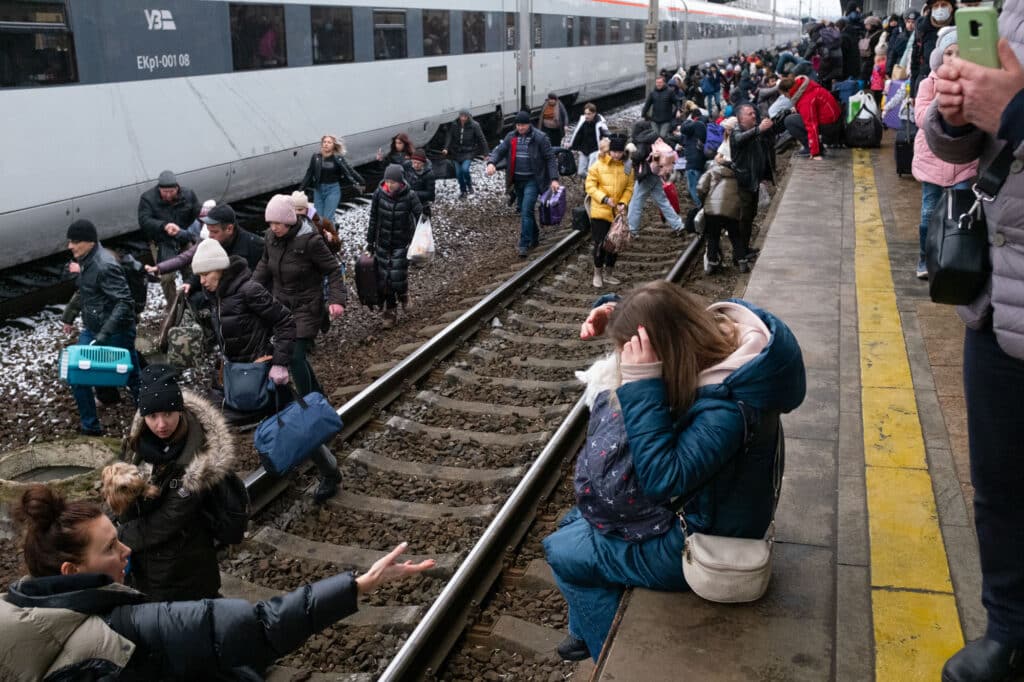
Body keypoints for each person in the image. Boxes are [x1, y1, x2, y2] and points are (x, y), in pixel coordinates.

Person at [543, 281, 806, 661]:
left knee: (562, 551)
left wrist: (641, 385)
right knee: (576, 520)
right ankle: (587, 626)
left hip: (705, 543)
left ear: (665, 352)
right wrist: (620, 313)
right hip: (704, 506)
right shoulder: (727, 340)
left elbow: (663, 481)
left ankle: (603, 651)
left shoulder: (728, 411)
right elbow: (666, 318)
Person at [2, 484, 434, 680]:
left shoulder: (11, 616)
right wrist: (357, 586)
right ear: (71, 573)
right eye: (112, 547)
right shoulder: (128, 627)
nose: (126, 552)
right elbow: (259, 624)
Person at [927, 7, 1024, 677]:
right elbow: (966, 153)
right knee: (998, 481)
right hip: (998, 294)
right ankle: (1009, 627)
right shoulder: (1006, 12)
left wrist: (1015, 109)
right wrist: (955, 116)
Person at [110, 364, 235, 601]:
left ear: (179, 409)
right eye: (152, 416)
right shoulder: (139, 442)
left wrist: (117, 536)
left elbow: (169, 519)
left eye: (168, 413)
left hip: (184, 567)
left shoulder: (198, 459)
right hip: (148, 564)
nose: (161, 424)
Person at [253, 195, 346, 500]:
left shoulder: (309, 241)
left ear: (289, 221)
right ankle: (318, 403)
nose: (273, 227)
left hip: (307, 307)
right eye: (270, 223)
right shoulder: (271, 239)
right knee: (292, 360)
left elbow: (333, 270)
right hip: (282, 308)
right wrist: (248, 294)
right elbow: (264, 269)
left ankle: (310, 410)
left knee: (294, 356)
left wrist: (336, 300)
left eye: (278, 222)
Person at [911, 27, 978, 280]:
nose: (954, 57)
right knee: (929, 212)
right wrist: (945, 101)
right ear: (940, 56)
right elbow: (920, 117)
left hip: (963, 161)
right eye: (949, 52)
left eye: (960, 53)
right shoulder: (929, 84)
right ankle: (924, 257)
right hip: (931, 158)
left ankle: (955, 258)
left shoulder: (974, 83)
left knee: (960, 212)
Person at [63, 220, 141, 436]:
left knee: (132, 376)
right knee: (77, 375)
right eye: (70, 241)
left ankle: (149, 415)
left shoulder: (104, 265)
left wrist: (106, 332)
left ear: (89, 242)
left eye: (75, 241)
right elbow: (86, 292)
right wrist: (69, 316)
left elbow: (124, 302)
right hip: (93, 328)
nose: (70, 246)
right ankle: (91, 428)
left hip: (115, 331)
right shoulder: (86, 259)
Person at [146, 204, 265, 298]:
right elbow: (201, 264)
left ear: (229, 229)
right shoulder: (215, 241)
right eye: (209, 231)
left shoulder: (255, 245)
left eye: (214, 232)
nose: (210, 236)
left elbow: (260, 281)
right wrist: (191, 283)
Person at [486, 111, 560, 257]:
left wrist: (554, 178)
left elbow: (550, 158)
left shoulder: (539, 138)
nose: (520, 128)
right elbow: (499, 151)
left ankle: (524, 244)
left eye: (523, 125)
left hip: (533, 180)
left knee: (526, 210)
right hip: (517, 180)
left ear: (529, 124)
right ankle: (535, 234)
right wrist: (491, 162)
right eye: (518, 125)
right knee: (527, 211)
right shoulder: (511, 137)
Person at [368, 164, 423, 328]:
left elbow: (419, 215)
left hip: (402, 241)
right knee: (385, 279)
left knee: (397, 275)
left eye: (393, 182)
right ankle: (390, 311)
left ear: (401, 182)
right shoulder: (379, 194)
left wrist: (426, 213)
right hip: (383, 242)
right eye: (388, 181)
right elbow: (373, 218)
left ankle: (404, 295)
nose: (390, 185)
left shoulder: (410, 195)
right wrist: (369, 242)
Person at [137, 170, 200, 309]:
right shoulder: (147, 199)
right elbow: (144, 220)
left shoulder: (188, 195)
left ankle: (193, 302)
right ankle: (174, 307)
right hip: (161, 241)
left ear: (177, 188)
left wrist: (187, 232)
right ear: (159, 189)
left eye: (171, 191)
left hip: (183, 237)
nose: (168, 195)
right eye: (164, 191)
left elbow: (196, 213)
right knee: (166, 278)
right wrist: (163, 226)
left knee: (191, 271)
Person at [728, 103, 775, 272]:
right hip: (744, 182)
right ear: (741, 118)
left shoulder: (755, 131)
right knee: (744, 218)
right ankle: (738, 254)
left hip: (754, 181)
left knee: (750, 216)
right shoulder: (736, 132)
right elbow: (740, 140)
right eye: (749, 114)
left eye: (754, 113)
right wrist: (759, 130)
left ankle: (745, 249)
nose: (753, 116)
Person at [585, 134, 634, 289]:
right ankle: (597, 273)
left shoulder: (627, 167)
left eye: (619, 152)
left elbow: (629, 187)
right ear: (609, 151)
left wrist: (623, 202)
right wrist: (604, 199)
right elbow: (590, 186)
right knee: (600, 244)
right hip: (600, 212)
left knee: (614, 244)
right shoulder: (598, 166)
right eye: (614, 151)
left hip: (617, 213)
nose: (616, 155)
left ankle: (609, 273)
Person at [696, 122, 744, 275]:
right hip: (731, 209)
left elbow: (700, 187)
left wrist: (704, 201)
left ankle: (712, 262)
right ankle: (742, 261)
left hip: (712, 210)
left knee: (713, 236)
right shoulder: (738, 174)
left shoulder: (714, 171)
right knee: (735, 235)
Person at [625, 120, 684, 238]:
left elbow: (639, 156)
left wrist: (631, 153)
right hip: (656, 173)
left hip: (646, 176)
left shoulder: (641, 141)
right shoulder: (655, 137)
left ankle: (632, 230)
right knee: (663, 201)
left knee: (636, 202)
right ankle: (678, 225)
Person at [300, 134, 366, 223]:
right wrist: (300, 190)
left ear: (334, 145)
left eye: (329, 142)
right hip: (318, 190)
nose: (326, 144)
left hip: (332, 190)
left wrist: (361, 181)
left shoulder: (338, 158)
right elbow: (309, 173)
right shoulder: (316, 157)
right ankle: (325, 235)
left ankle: (331, 236)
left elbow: (350, 171)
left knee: (327, 218)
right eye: (324, 142)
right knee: (319, 218)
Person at [779, 72, 842, 160]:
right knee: (795, 117)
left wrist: (815, 152)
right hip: (835, 121)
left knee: (789, 121)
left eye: (785, 95)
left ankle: (810, 148)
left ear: (789, 91)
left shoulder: (806, 100)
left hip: (830, 127)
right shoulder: (806, 87)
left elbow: (811, 125)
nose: (785, 97)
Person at [911, 0, 956, 96]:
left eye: (944, 5)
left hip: (952, 86)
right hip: (925, 84)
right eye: (936, 6)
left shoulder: (960, 26)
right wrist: (912, 92)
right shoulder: (922, 29)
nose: (940, 8)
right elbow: (915, 60)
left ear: (951, 7)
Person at [443, 109, 489, 197]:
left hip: (468, 152)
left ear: (468, 117)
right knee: (458, 173)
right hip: (456, 152)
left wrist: (485, 153)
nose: (463, 118)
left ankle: (469, 184)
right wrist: (446, 148)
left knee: (465, 169)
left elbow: (481, 139)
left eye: (465, 117)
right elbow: (449, 136)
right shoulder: (454, 124)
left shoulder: (474, 125)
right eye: (461, 116)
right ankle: (463, 190)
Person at [567, 102, 610, 178]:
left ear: (594, 113)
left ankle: (590, 184)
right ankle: (591, 181)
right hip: (584, 150)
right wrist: (571, 145)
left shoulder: (599, 123)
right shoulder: (583, 122)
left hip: (595, 150)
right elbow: (577, 134)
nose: (586, 116)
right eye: (585, 113)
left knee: (591, 170)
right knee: (581, 172)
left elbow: (606, 134)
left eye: (589, 114)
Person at [678, 101, 708, 207]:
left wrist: (687, 120)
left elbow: (683, 129)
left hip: (692, 161)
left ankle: (701, 208)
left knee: (693, 187)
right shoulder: (705, 124)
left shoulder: (695, 125)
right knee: (700, 185)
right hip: (701, 159)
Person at [887, 10, 919, 77]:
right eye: (908, 22)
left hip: (913, 70)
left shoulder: (919, 37)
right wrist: (889, 70)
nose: (910, 24)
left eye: (913, 22)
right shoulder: (900, 36)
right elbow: (893, 53)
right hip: (900, 68)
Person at [405, 152, 436, 216]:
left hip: (421, 204)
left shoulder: (429, 174)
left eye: (418, 163)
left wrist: (413, 193)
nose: (415, 165)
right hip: (407, 202)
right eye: (414, 162)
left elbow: (431, 195)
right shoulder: (407, 165)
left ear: (423, 163)